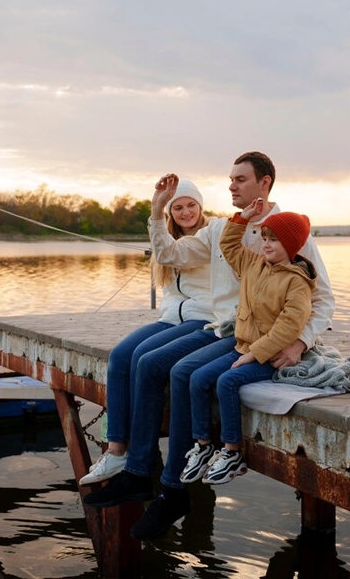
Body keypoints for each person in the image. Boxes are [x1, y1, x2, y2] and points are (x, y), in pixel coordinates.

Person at [83, 151, 335, 542]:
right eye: (230, 179)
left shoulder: (289, 232)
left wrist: (300, 342)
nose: (231, 186)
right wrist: (157, 212)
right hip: (223, 328)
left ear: (265, 183)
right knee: (150, 364)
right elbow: (169, 254)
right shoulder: (221, 229)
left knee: (180, 372)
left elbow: (322, 298)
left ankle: (171, 488)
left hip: (256, 336)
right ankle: (137, 472)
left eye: (240, 179)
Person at [79, 178, 213, 485]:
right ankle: (116, 450)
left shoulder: (210, 236)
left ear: (201, 206)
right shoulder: (166, 238)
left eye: (191, 205)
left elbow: (174, 254)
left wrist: (156, 215)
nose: (186, 212)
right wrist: (157, 210)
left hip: (202, 318)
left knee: (144, 357)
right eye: (178, 207)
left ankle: (142, 457)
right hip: (172, 317)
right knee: (120, 356)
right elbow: (169, 280)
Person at [180, 201, 316, 486]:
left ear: (291, 245)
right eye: (264, 238)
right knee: (197, 378)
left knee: (227, 382)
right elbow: (228, 245)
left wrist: (254, 354)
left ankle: (232, 452)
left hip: (271, 356)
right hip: (243, 346)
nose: (266, 245)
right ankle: (203, 446)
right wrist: (242, 219)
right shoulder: (254, 263)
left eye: (273, 240)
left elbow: (289, 327)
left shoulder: (297, 282)